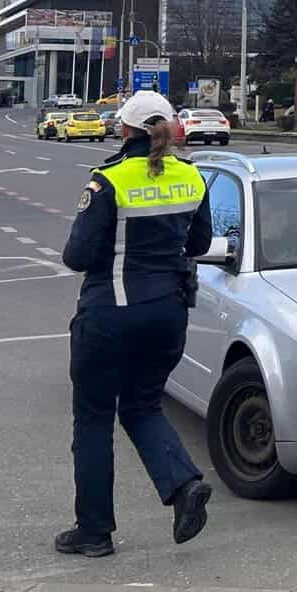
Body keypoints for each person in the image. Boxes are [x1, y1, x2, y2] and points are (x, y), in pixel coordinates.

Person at [55, 90, 214, 558]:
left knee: (93, 419)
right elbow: (198, 242)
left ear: (124, 130)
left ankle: (94, 531)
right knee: (143, 405)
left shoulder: (107, 180)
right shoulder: (191, 176)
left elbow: (76, 256)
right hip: (168, 312)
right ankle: (183, 484)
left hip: (110, 314)